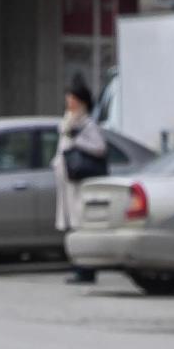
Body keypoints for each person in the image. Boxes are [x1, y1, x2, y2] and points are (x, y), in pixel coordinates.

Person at [57, 78, 112, 284]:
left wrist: (77, 139)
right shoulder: (68, 121)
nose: (69, 102)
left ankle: (85, 269)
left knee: (81, 223)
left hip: (81, 182)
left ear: (82, 102)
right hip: (68, 182)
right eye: (68, 98)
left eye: (72, 98)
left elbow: (99, 148)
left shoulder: (87, 124)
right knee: (72, 223)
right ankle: (77, 265)